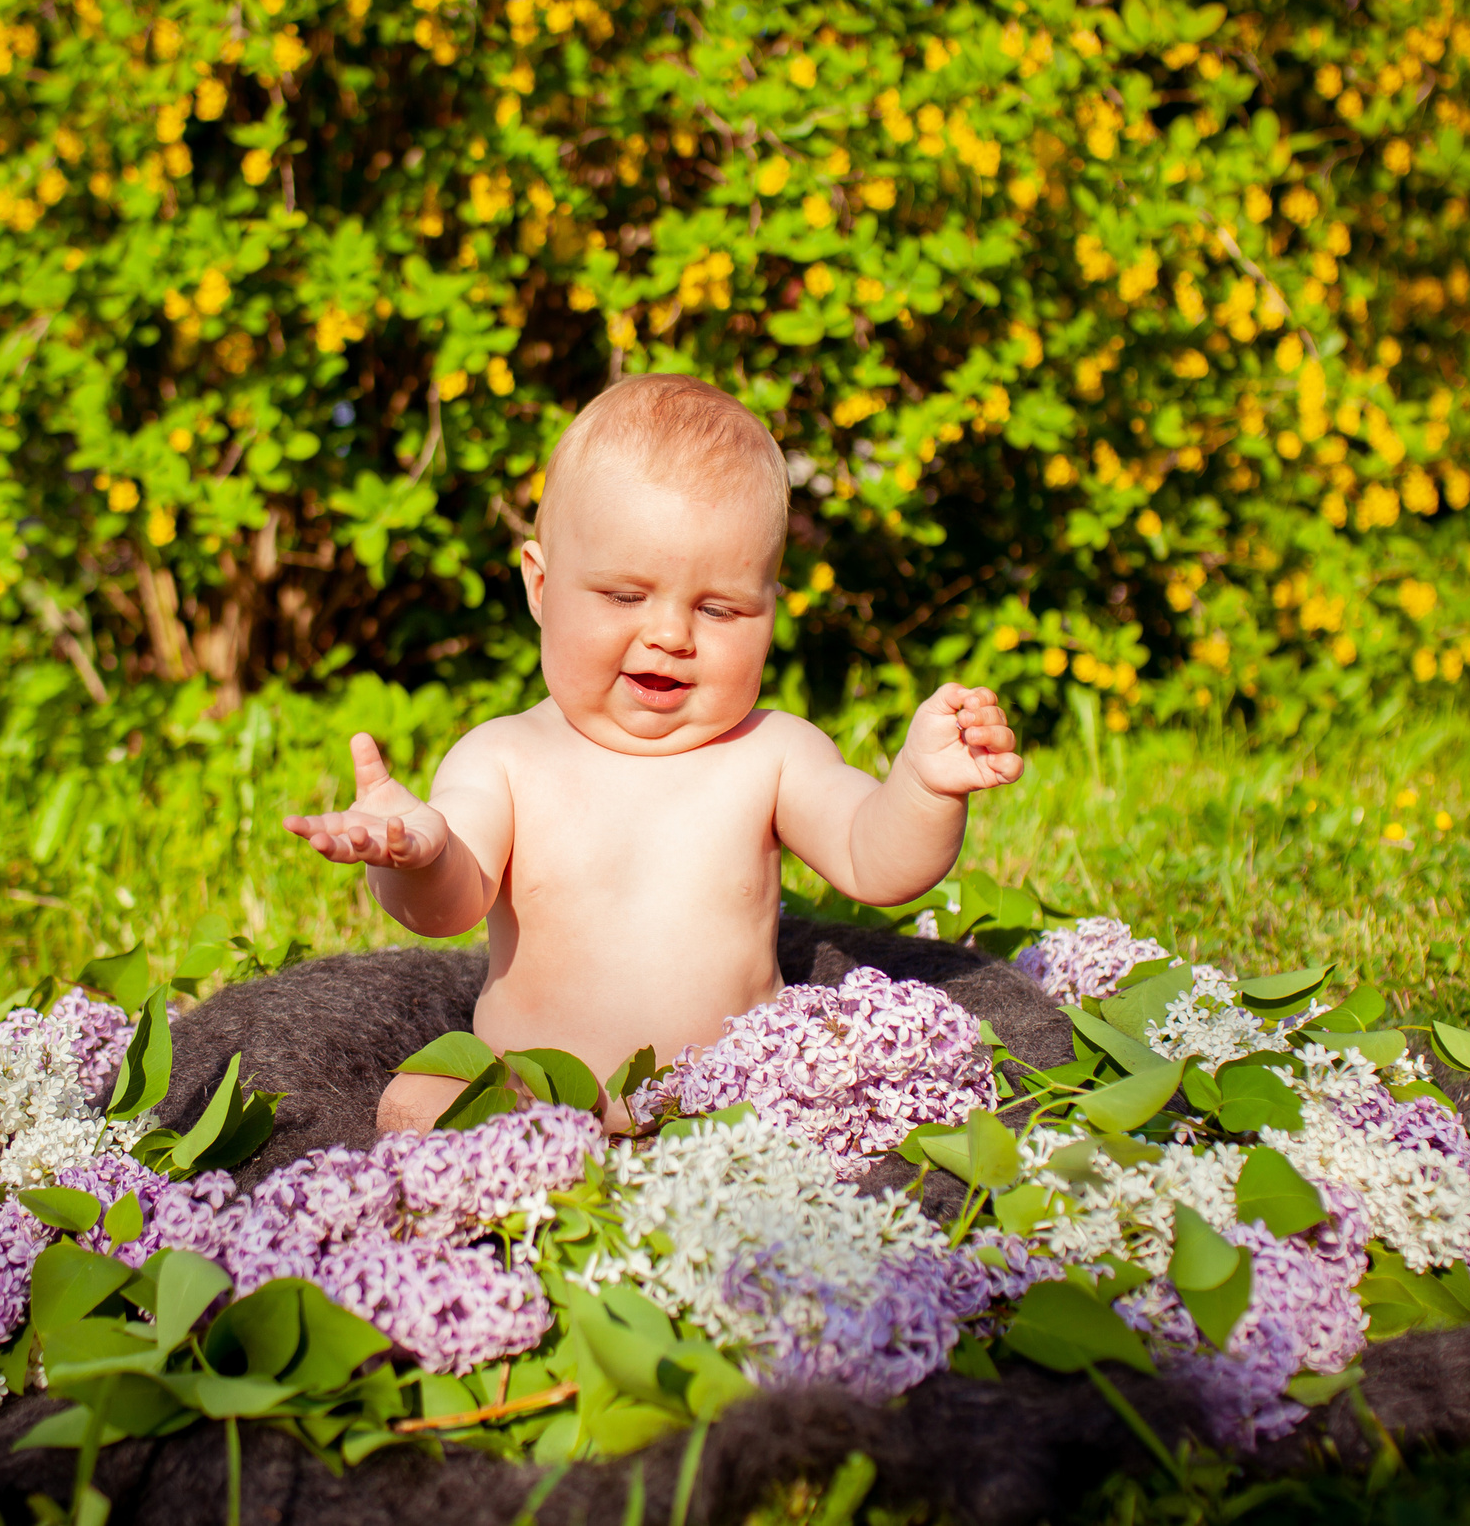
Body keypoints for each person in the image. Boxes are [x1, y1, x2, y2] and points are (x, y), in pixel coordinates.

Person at [282, 374, 1025, 1133]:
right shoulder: (504, 758)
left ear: (769, 612)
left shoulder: (772, 753)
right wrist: (413, 852)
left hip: (728, 1105)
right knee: (417, 1098)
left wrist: (925, 788)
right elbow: (448, 905)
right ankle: (521, 1169)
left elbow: (877, 862)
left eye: (718, 608)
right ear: (541, 585)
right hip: (537, 1094)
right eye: (625, 596)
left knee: (858, 1085)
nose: (670, 634)